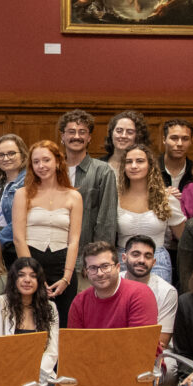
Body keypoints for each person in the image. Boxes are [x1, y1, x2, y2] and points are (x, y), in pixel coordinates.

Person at [13, 140, 83, 327]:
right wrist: (31, 273)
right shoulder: (22, 194)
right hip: (32, 261)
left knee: (63, 323)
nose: (41, 166)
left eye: (46, 160)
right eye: (36, 162)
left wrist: (67, 277)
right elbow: (18, 238)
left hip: (63, 265)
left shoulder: (74, 196)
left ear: (58, 162)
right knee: (30, 321)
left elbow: (74, 240)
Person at [57, 112, 117, 299]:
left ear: (89, 137)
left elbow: (106, 221)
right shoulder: (52, 170)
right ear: (62, 136)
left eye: (82, 132)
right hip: (55, 258)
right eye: (71, 131)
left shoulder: (102, 171)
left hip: (84, 263)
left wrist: (94, 260)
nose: (76, 136)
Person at [0, 257, 60, 384]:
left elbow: (52, 351)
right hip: (4, 375)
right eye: (21, 275)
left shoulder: (50, 308)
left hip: (40, 376)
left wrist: (37, 376)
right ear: (13, 279)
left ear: (39, 281)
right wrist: (14, 376)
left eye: (33, 276)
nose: (27, 280)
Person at [115, 145, 185, 283]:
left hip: (156, 261)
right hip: (123, 260)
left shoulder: (166, 197)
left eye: (140, 161)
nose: (134, 166)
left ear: (150, 165)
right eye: (129, 162)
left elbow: (184, 237)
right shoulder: (114, 197)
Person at [68, 240, 160, 330]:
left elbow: (139, 342)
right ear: (85, 272)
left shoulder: (140, 294)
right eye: (93, 268)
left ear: (118, 268)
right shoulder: (80, 301)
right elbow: (75, 343)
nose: (100, 273)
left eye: (105, 266)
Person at [0, 133, 27, 266]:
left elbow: (20, 221)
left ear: (23, 155)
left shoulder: (28, 184)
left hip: (11, 250)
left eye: (11, 153)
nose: (6, 158)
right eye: (1, 155)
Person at [102, 110, 149, 179]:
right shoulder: (98, 165)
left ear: (138, 136)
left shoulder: (146, 166)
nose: (123, 136)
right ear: (111, 133)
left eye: (129, 132)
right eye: (119, 131)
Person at [159, 119, 193, 192]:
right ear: (164, 140)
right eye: (174, 138)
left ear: (191, 141)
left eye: (185, 139)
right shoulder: (150, 168)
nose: (180, 144)